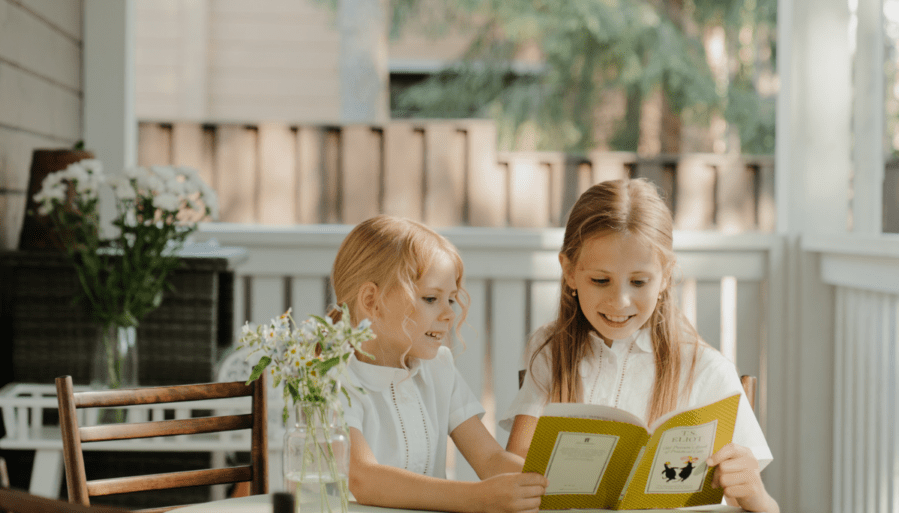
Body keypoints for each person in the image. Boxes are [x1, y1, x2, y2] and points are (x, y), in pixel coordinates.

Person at [500, 179, 778, 513]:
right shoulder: (550, 352)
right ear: (570, 272)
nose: (620, 301)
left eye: (639, 281)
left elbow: (764, 508)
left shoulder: (705, 369)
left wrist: (755, 495)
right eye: (600, 280)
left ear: (665, 277)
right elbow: (513, 471)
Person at [331, 215, 548, 513]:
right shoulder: (329, 378)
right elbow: (364, 478)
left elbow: (489, 459)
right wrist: (477, 498)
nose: (449, 314)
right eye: (431, 299)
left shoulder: (439, 368)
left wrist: (550, 484)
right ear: (372, 300)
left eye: (452, 300)